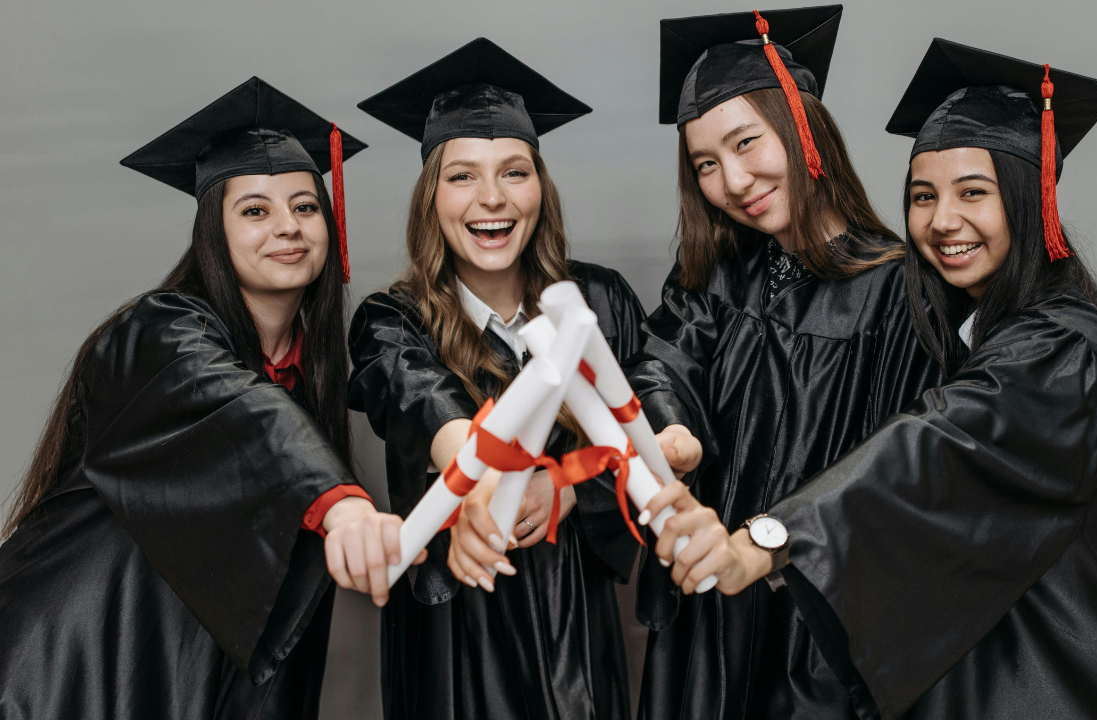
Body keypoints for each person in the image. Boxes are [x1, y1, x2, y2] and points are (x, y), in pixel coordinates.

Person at [645, 39, 1097, 719]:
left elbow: (935, 443)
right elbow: (664, 359)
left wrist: (767, 540)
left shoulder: (1058, 348)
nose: (942, 221)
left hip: (1068, 685)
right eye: (922, 196)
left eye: (974, 193)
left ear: (1030, 199)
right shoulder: (975, 320)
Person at [0, 77, 418, 719]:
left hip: (174, 670)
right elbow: (235, 407)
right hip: (68, 657)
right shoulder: (160, 332)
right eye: (255, 211)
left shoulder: (307, 381)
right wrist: (343, 507)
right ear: (213, 232)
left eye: (306, 207)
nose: (288, 226)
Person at [623, 7, 943, 718]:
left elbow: (900, 474)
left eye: (746, 142)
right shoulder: (714, 275)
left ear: (804, 129)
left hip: (816, 626)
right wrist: (671, 431)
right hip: (708, 603)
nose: (734, 181)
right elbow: (661, 365)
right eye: (706, 164)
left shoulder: (901, 291)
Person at [348, 38, 645, 720]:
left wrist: (567, 492)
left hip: (573, 614)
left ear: (541, 187)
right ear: (431, 197)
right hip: (454, 628)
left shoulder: (599, 302)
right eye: (462, 176)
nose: (491, 198)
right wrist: (484, 482)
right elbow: (420, 401)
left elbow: (643, 433)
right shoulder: (393, 319)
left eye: (514, 171)